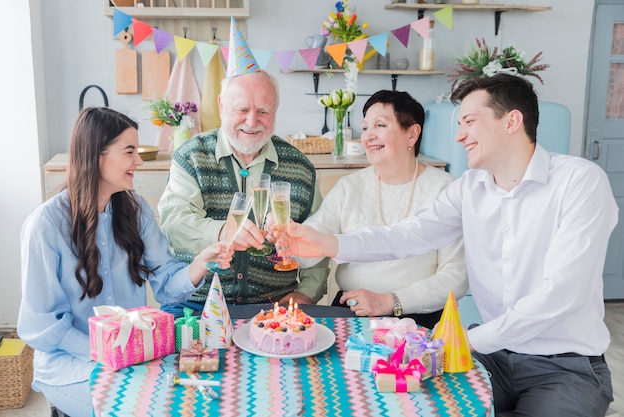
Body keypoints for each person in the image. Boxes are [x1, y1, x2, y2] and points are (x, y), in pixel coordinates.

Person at [276, 74, 616, 416]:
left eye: (469, 121)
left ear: (512, 121)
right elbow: (407, 235)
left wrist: (465, 340)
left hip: (564, 366)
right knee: (397, 405)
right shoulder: (470, 187)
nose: (459, 135)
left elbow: (560, 294)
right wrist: (329, 243)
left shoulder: (579, 182)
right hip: (492, 358)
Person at [16, 107, 233, 417]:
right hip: (71, 364)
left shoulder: (135, 210)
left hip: (131, 358)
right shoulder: (45, 226)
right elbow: (42, 326)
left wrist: (201, 261)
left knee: (192, 398)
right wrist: (106, 353)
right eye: (129, 151)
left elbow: (167, 287)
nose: (139, 161)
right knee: (141, 406)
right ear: (97, 156)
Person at [157, 70, 330, 317]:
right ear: (221, 105)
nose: (251, 121)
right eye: (242, 109)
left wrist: (307, 293)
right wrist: (221, 232)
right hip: (194, 304)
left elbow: (319, 238)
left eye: (263, 111)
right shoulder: (191, 156)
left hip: (275, 308)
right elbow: (174, 225)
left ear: (276, 110)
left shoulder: (300, 167)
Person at [297, 90, 467, 329]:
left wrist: (391, 302)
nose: (368, 136)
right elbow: (310, 244)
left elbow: (456, 277)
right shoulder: (350, 186)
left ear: (412, 134)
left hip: (418, 318)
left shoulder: (445, 189)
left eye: (380, 125)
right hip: (352, 311)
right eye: (365, 128)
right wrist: (288, 241)